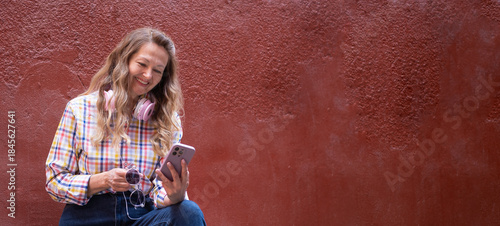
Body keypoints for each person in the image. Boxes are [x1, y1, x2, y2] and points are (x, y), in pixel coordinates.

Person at [45, 27, 206, 225]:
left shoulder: (167, 121)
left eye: (157, 70)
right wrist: (103, 180)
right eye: (142, 64)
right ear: (124, 61)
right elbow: (54, 182)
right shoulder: (79, 109)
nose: (148, 76)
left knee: (188, 212)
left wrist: (173, 196)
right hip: (87, 216)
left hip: (141, 215)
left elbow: (159, 188)